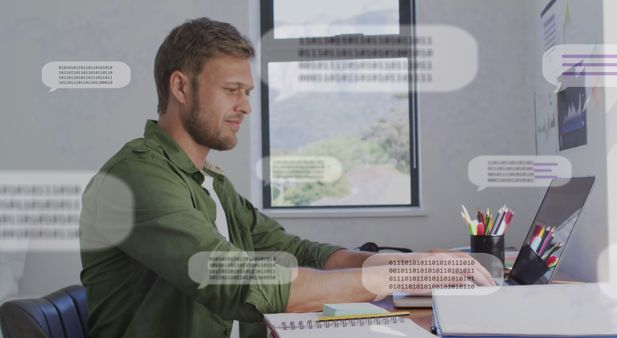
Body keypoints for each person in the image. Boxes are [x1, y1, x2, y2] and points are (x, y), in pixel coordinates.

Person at [79, 17, 494, 338]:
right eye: (231, 90)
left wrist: (404, 263)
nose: (245, 106)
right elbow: (235, 283)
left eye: (248, 92)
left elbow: (292, 250)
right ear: (180, 88)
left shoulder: (209, 182)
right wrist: (401, 277)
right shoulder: (136, 178)